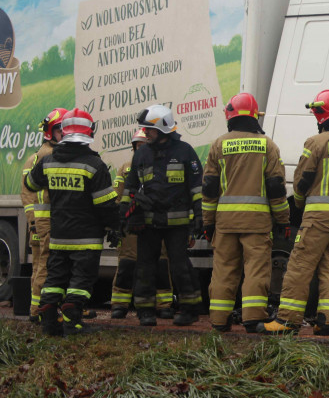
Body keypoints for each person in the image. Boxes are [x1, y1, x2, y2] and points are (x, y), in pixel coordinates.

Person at [259, 89, 329, 335]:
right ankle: (326, 321)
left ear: (323, 114)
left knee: (299, 265)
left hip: (318, 217)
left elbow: (302, 180)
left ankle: (287, 321)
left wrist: (300, 203)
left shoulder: (316, 143)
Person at [24, 109, 120, 336]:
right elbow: (105, 204)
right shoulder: (94, 165)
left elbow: (30, 184)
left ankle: (49, 322)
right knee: (81, 280)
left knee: (55, 278)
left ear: (64, 132)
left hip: (58, 236)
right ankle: (72, 321)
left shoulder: (47, 162)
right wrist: (114, 226)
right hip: (86, 238)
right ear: (90, 132)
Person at [202, 93, 290, 333]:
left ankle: (219, 320)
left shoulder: (218, 145)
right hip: (257, 222)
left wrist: (208, 223)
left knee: (224, 270)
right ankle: (253, 318)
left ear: (230, 114)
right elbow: (275, 187)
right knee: (256, 269)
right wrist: (283, 219)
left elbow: (209, 188)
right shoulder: (267, 145)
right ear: (254, 116)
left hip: (225, 222)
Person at [121, 104, 204, 327]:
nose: (145, 133)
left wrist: (199, 216)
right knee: (145, 267)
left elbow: (197, 187)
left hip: (177, 224)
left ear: (163, 129)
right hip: (148, 223)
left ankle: (189, 310)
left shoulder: (185, 152)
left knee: (180, 266)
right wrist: (125, 215)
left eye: (149, 129)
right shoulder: (142, 154)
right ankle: (145, 312)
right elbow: (130, 188)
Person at [110, 128, 173, 320]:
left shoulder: (164, 166)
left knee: (161, 264)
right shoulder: (126, 168)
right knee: (127, 263)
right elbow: (118, 197)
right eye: (138, 145)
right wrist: (118, 222)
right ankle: (119, 304)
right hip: (132, 223)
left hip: (157, 222)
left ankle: (164, 305)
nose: (141, 149)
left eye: (145, 145)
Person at [20, 107, 67, 320]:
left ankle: (39, 309)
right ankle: (38, 311)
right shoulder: (48, 155)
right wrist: (34, 222)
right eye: (60, 130)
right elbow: (28, 194)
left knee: (42, 266)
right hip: (46, 222)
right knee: (46, 266)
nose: (65, 133)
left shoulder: (40, 155)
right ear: (50, 132)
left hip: (42, 222)